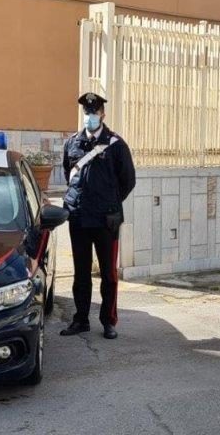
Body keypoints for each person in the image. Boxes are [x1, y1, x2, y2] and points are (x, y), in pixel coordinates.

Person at [59, 92, 136, 340]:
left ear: (103, 114)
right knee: (80, 274)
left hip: (106, 221)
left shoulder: (116, 145)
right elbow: (68, 175)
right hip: (79, 218)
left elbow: (128, 181)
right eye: (86, 112)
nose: (90, 116)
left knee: (108, 275)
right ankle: (81, 320)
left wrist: (110, 202)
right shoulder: (72, 143)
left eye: (94, 112)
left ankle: (108, 321)